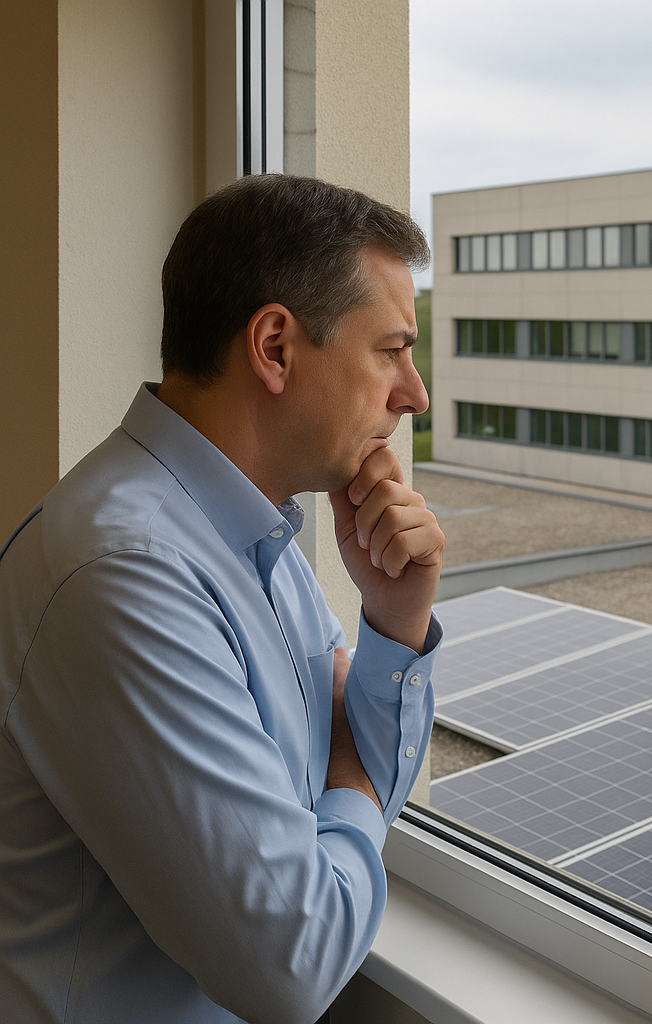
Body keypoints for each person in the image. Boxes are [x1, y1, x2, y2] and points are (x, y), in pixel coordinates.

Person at [0, 175, 445, 1024]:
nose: (414, 394)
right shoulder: (126, 574)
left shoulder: (253, 533)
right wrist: (346, 771)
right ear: (275, 346)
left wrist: (394, 620)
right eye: (391, 350)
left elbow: (361, 774)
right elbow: (294, 963)